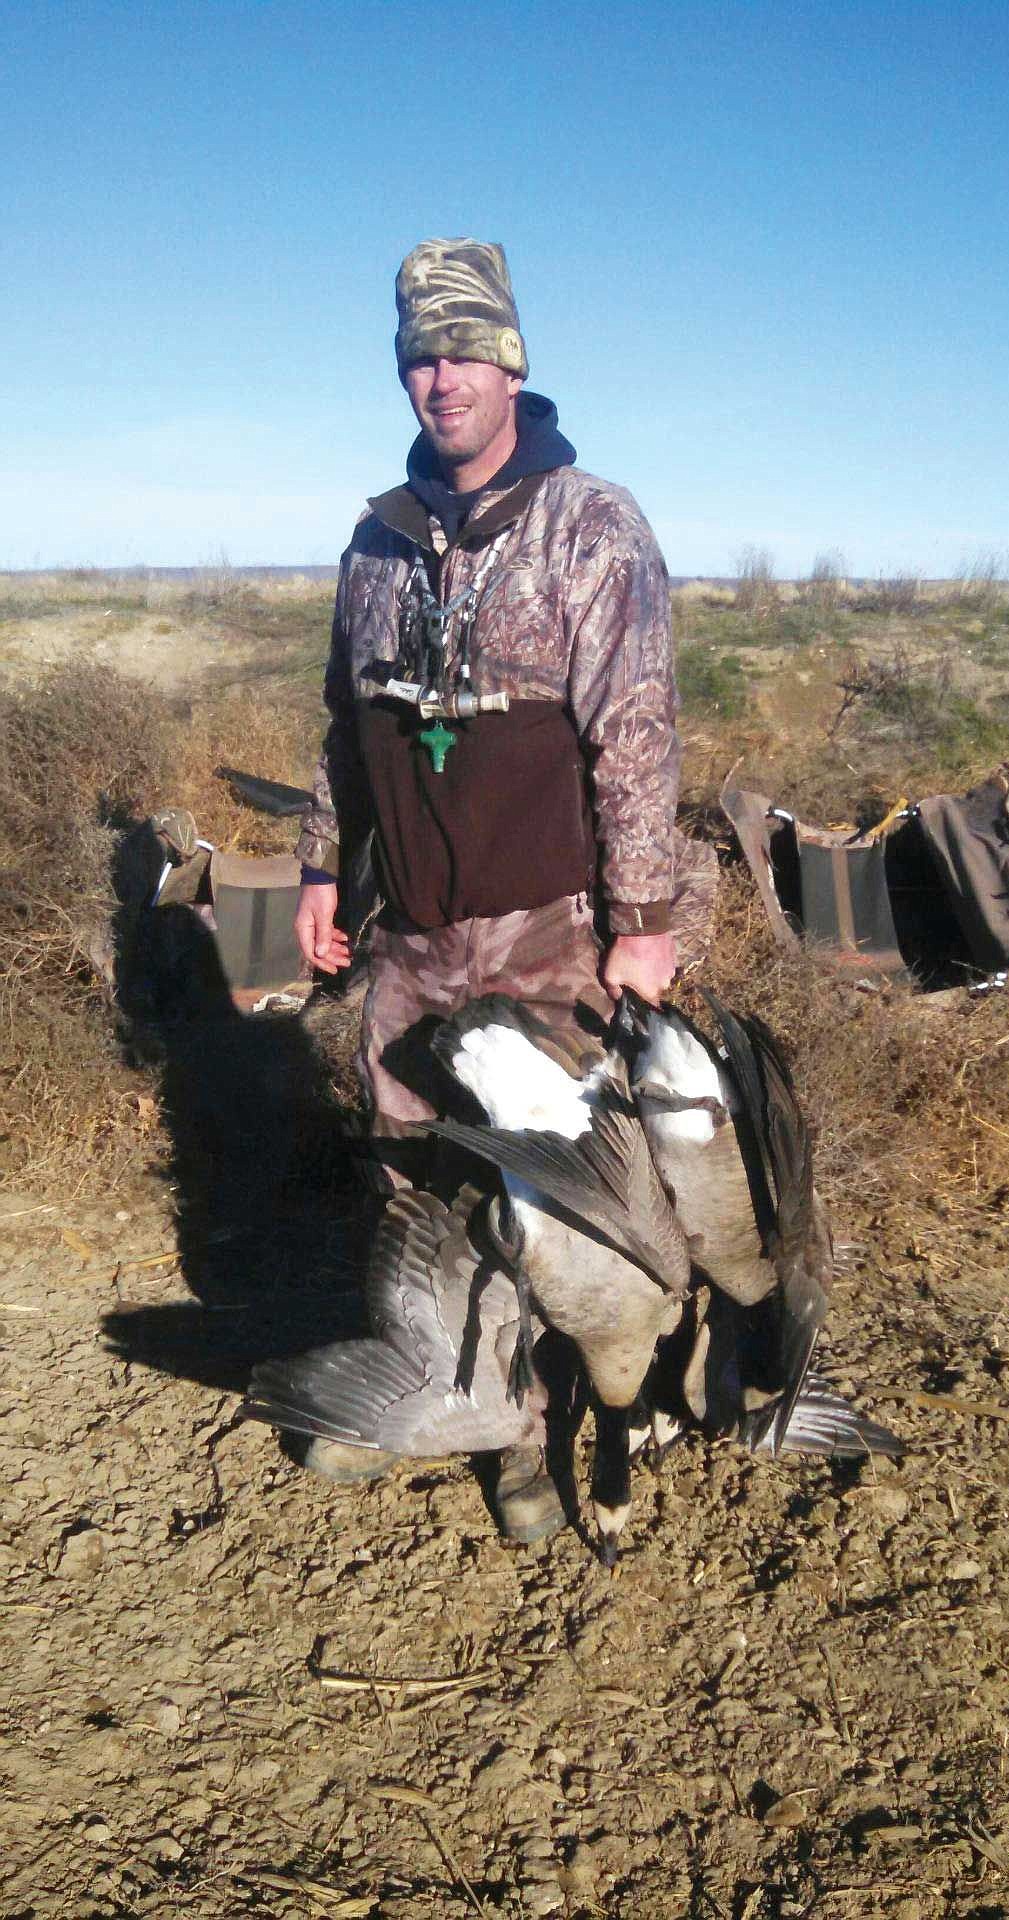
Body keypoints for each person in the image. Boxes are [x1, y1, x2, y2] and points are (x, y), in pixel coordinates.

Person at [293, 238, 716, 1541]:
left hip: (552, 932)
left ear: (512, 361)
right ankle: (491, 1419)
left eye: (466, 347)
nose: (443, 374)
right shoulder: (375, 542)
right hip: (413, 938)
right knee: (423, 1181)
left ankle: (601, 1436)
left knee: (569, 1198)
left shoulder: (592, 524)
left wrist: (643, 926)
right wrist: (321, 866)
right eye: (422, 351)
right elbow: (340, 725)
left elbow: (636, 733)